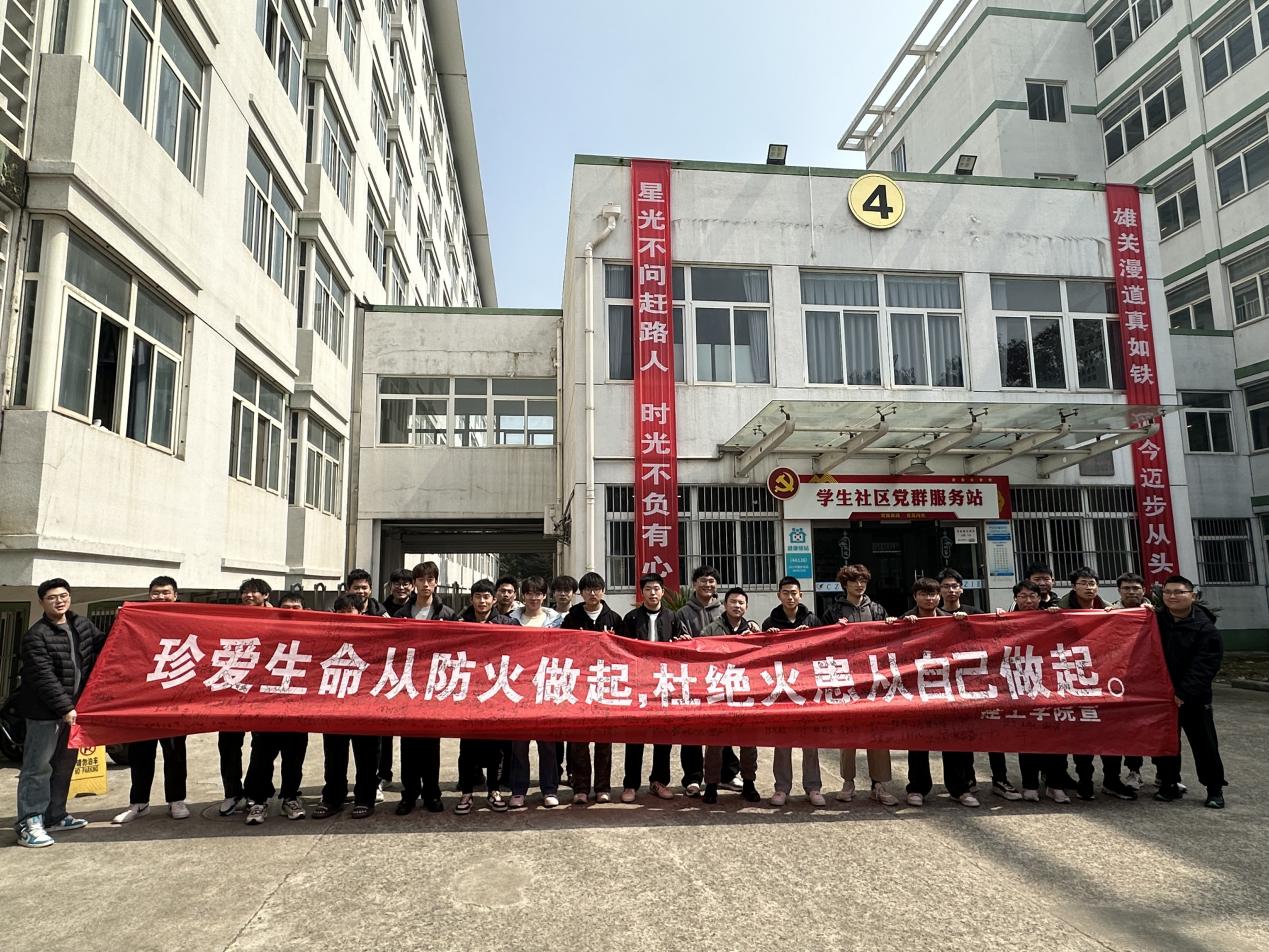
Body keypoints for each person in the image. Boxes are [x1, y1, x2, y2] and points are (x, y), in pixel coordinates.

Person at [14, 579, 107, 848]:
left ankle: (55, 815)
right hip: (45, 713)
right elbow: (43, 677)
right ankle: (29, 822)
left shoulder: (81, 625)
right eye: (52, 597)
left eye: (63, 596)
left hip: (75, 711)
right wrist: (65, 707)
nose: (59, 601)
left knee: (64, 765)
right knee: (37, 768)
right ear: (42, 602)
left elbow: (105, 646)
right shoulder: (36, 636)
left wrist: (129, 622)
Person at [113, 577, 191, 825]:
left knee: (175, 754)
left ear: (175, 595)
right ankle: (139, 802)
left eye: (166, 593)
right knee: (140, 754)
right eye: (156, 593)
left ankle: (176, 800)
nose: (161, 597)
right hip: (143, 699)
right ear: (149, 595)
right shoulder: (137, 619)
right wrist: (121, 621)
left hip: (173, 699)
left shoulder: (186, 619)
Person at [897, 578, 977, 808]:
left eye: (932, 594)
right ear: (915, 597)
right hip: (917, 689)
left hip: (946, 688)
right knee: (917, 742)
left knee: (952, 739)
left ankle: (959, 789)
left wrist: (963, 623)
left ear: (939, 597)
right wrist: (898, 624)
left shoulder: (952, 620)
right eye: (923, 594)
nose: (929, 598)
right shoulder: (905, 620)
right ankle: (917, 788)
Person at [1058, 567, 1136, 801]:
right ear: (1074, 587)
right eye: (1083, 583)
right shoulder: (1059, 611)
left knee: (1111, 733)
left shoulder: (1109, 611)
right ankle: (1085, 781)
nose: (1089, 587)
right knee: (1083, 734)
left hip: (1106, 679)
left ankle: (1112, 780)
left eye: (1092, 583)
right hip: (1075, 679)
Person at [941, 569, 1019, 801]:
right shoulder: (933, 616)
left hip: (978, 681)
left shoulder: (975, 613)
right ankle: (967, 780)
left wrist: (1000, 617)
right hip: (948, 684)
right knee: (960, 735)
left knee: (991, 731)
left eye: (954, 586)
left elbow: (994, 636)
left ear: (962, 588)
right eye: (945, 586)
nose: (951, 590)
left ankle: (1000, 779)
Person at [825, 564, 899, 805]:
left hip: (874, 678)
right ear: (844, 584)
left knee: (878, 731)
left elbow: (889, 640)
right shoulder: (834, 611)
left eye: (863, 581)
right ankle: (848, 782)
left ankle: (880, 784)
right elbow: (822, 642)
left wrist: (892, 624)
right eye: (855, 581)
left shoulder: (877, 609)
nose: (859, 585)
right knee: (848, 731)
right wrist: (835, 631)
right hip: (846, 679)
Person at [1152, 576, 1227, 809]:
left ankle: (1214, 789)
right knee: (1166, 743)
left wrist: (1184, 692)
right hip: (1162, 696)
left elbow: (1205, 666)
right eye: (1167, 592)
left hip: (1194, 698)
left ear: (1192, 596)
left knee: (1204, 744)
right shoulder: (1156, 621)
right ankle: (1169, 783)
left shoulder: (1205, 628)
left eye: (1179, 592)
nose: (1172, 596)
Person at [999, 581, 1072, 803]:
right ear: (1015, 598)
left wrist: (1058, 618)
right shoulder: (1004, 619)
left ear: (1040, 598)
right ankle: (1030, 784)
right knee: (1027, 737)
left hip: (1050, 683)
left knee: (1054, 736)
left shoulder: (1052, 617)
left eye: (1032, 596)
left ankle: (1055, 785)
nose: (1028, 601)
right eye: (1023, 596)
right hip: (1021, 684)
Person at [242, 591, 310, 825]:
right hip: (267, 708)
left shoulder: (312, 635)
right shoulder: (266, 634)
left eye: (296, 608)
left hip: (298, 709)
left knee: (294, 759)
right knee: (261, 758)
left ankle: (290, 798)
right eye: (286, 607)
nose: (291, 611)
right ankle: (259, 801)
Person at [312, 596, 381, 820]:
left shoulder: (374, 635)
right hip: (334, 704)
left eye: (349, 612)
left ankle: (365, 798)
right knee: (334, 756)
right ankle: (333, 797)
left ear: (361, 613)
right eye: (340, 612)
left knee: (367, 756)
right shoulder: (326, 637)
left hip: (365, 706)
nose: (344, 617)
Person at [763, 577, 830, 807]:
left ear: (801, 595)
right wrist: (771, 638)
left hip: (807, 688)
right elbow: (763, 656)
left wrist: (808, 636)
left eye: (794, 593)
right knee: (782, 741)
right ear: (779, 595)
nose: (790, 597)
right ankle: (781, 788)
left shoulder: (812, 620)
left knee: (810, 741)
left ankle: (813, 787)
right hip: (782, 688)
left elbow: (823, 649)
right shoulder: (770, 622)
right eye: (785, 593)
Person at [674, 565, 740, 793]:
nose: (707, 584)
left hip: (720, 678)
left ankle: (727, 775)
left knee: (723, 727)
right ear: (694, 584)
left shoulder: (724, 609)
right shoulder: (683, 613)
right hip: (693, 677)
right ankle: (692, 778)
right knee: (691, 728)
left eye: (711, 581)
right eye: (703, 580)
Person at [454, 580, 518, 814]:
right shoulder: (459, 624)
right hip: (468, 691)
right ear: (471, 599)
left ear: (494, 599)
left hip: (495, 690)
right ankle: (467, 793)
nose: (482, 601)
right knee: (467, 747)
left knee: (495, 747)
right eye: (478, 597)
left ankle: (494, 790)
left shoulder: (508, 624)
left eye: (486, 597)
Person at [562, 572, 625, 804]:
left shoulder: (615, 618)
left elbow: (624, 653)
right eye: (587, 589)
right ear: (581, 593)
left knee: (603, 741)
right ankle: (580, 788)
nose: (592, 593)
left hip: (605, 685)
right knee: (578, 740)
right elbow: (563, 649)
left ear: (603, 591)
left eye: (596, 589)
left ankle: (602, 788)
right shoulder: (571, 618)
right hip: (578, 685)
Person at [619, 573, 679, 802]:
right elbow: (621, 650)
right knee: (634, 735)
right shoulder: (631, 618)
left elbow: (681, 645)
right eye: (648, 589)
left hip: (664, 683)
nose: (652, 593)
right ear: (641, 592)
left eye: (656, 589)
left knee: (663, 736)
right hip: (638, 683)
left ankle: (659, 782)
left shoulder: (672, 617)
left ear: (663, 592)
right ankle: (630, 784)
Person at [698, 588, 762, 804]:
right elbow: (700, 656)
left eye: (741, 603)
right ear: (725, 605)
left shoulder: (753, 631)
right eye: (733, 602)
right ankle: (711, 785)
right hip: (718, 693)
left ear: (747, 607)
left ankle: (749, 783)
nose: (737, 606)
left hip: (745, 693)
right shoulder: (711, 629)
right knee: (715, 742)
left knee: (748, 742)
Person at [506, 576, 562, 809]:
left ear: (544, 596)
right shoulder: (511, 621)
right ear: (523, 595)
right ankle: (518, 790)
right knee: (519, 744)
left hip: (546, 686)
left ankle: (549, 789)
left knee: (547, 743)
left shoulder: (556, 621)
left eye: (538, 593)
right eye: (529, 593)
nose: (534, 598)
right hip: (519, 686)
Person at [218, 578, 272, 815]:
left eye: (254, 592)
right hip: (233, 690)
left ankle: (255, 792)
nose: (249, 596)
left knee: (262, 746)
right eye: (245, 592)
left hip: (262, 693)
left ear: (266, 595)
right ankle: (232, 793)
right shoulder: (232, 618)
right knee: (228, 744)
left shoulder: (279, 618)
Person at [1107, 571, 1148, 790]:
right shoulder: (1108, 613)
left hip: (1144, 680)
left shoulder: (1154, 613)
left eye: (1135, 588)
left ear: (1143, 590)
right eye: (1126, 588)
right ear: (1119, 591)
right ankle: (1112, 777)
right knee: (1116, 729)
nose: (1131, 592)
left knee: (1139, 728)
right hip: (1114, 680)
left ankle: (1136, 770)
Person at [392, 561, 459, 621]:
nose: (425, 584)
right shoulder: (401, 615)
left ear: (436, 582)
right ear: (414, 582)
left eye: (430, 580)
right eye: (421, 580)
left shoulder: (448, 615)